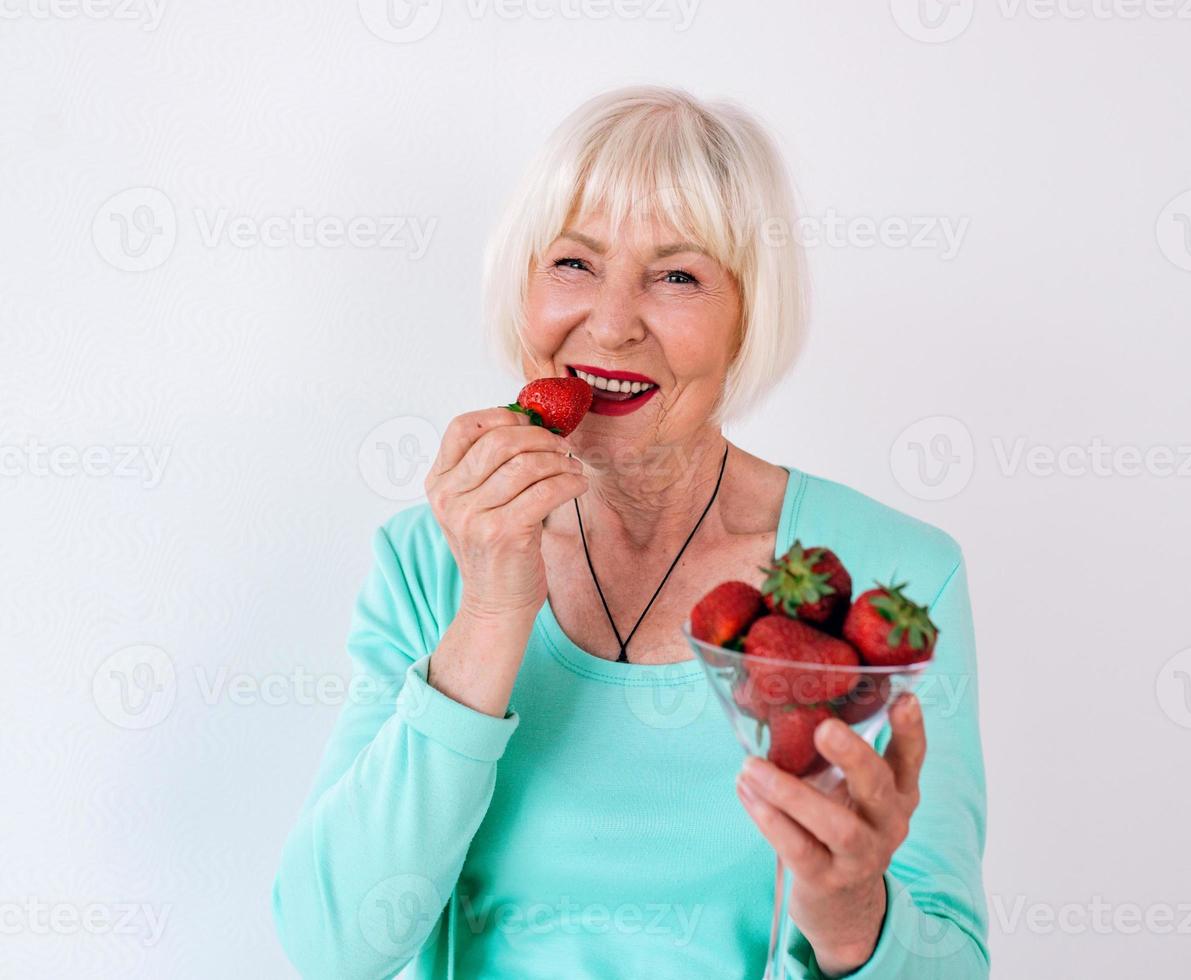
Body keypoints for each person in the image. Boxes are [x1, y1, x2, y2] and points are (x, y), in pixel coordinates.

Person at [272, 84, 988, 979]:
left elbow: (951, 960)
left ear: (745, 319)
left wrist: (853, 920)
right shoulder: (429, 559)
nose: (610, 323)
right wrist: (492, 614)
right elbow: (335, 949)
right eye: (573, 263)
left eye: (677, 275)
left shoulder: (893, 576)